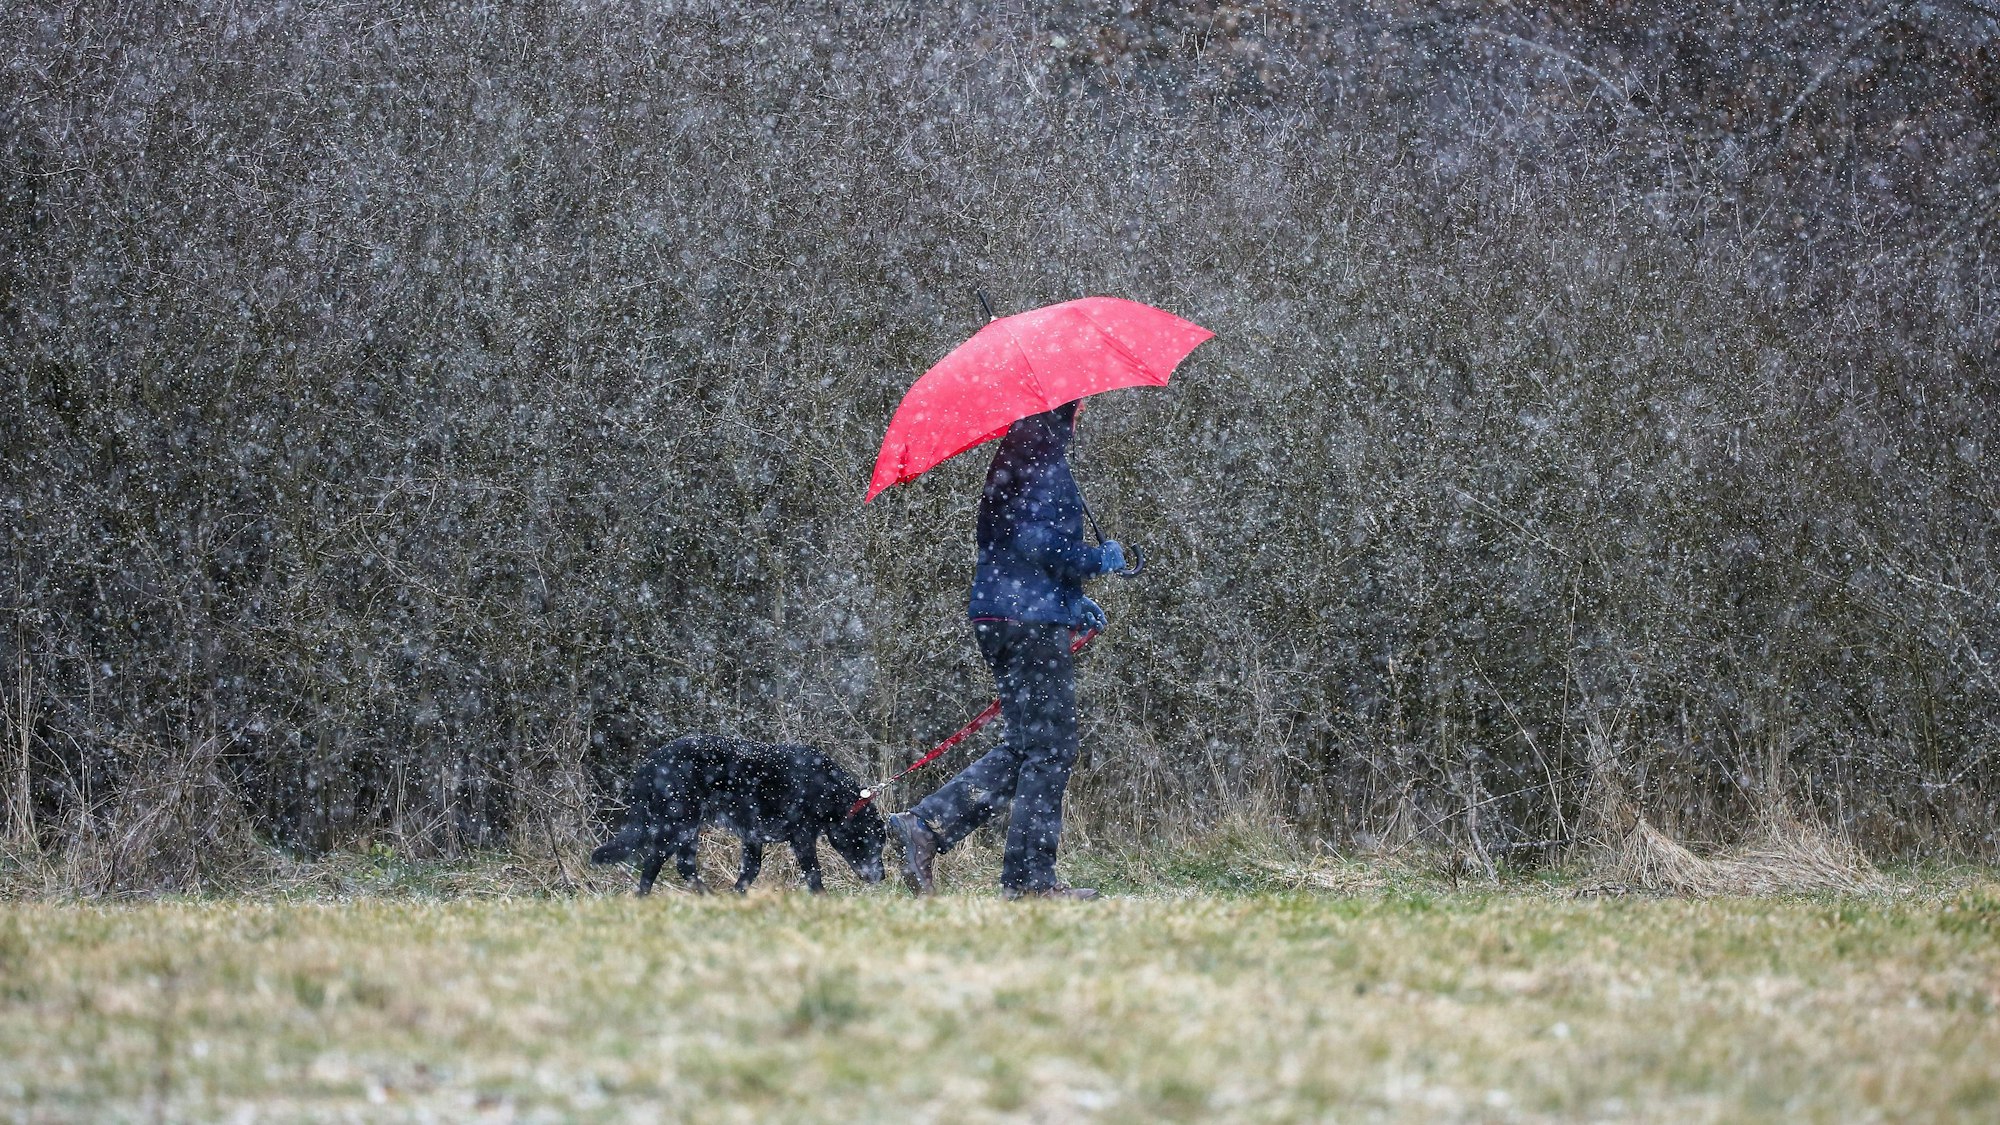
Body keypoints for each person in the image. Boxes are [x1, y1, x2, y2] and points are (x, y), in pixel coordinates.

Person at [887, 401, 1126, 900]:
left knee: (1027, 746)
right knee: (1051, 749)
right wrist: (1095, 560)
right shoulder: (1043, 457)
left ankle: (926, 827)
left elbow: (1016, 548)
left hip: (1007, 613)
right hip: (1027, 621)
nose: (1084, 408)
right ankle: (1029, 883)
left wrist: (1073, 601)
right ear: (1065, 405)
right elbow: (1037, 543)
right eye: (1080, 401)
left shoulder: (1021, 453)